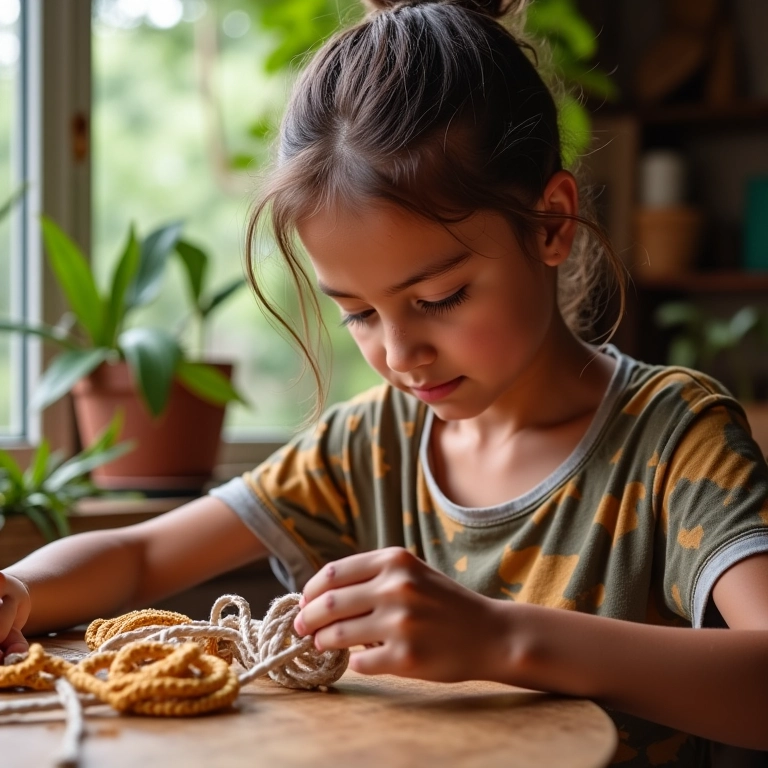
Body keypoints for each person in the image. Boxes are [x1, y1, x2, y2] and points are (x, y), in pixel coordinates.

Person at [1, 1, 767, 764]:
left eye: (439, 299)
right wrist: (18, 590)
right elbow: (139, 558)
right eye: (358, 313)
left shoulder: (675, 437)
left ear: (551, 225)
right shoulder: (366, 444)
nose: (401, 354)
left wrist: (502, 637)